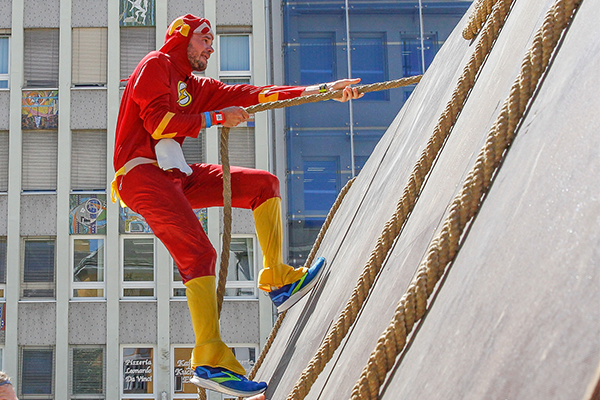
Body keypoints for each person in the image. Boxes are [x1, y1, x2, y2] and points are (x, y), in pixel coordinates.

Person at [112, 14, 362, 398]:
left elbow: (255, 94)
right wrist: (215, 117)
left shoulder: (194, 85)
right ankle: (209, 358)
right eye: (205, 39)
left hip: (174, 172)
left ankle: (278, 278)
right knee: (198, 251)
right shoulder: (155, 64)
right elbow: (159, 123)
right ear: (181, 39)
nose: (211, 47)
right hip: (142, 174)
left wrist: (325, 89)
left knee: (264, 185)